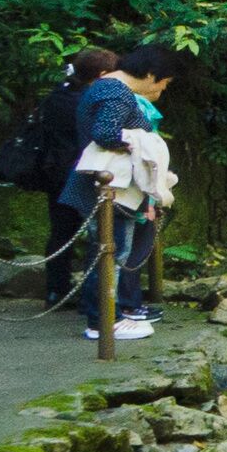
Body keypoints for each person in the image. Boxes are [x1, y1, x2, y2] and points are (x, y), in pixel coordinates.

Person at [59, 42, 187, 342]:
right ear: (151, 74)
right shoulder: (116, 92)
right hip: (110, 190)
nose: (163, 89)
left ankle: (106, 315)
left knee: (108, 250)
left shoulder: (106, 88)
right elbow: (106, 133)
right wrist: (142, 145)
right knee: (111, 251)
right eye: (165, 82)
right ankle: (103, 322)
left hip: (107, 189)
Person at [11, 47, 121, 314]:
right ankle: (95, 298)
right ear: (102, 74)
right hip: (87, 172)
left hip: (56, 171)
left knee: (61, 232)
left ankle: (56, 290)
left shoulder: (57, 95)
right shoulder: (91, 101)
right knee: (101, 234)